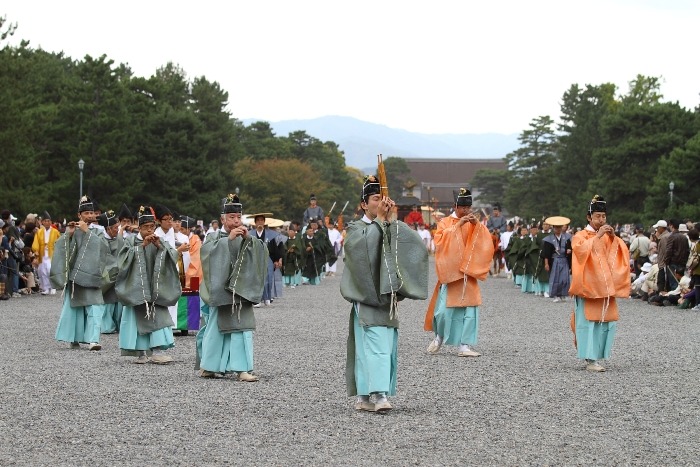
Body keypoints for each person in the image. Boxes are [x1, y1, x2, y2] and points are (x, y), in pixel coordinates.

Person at [341, 175, 428, 412]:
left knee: (384, 344)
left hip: (386, 297)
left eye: (383, 198)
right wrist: (380, 221)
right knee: (374, 343)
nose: (381, 202)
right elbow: (359, 252)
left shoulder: (390, 226)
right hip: (366, 295)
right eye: (376, 198)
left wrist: (391, 221)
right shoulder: (356, 228)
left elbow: (414, 247)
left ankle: (364, 397)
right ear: (363, 204)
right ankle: (377, 395)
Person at [197, 194, 268, 380]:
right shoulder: (213, 236)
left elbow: (260, 255)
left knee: (242, 326)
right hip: (220, 290)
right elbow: (206, 255)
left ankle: (242, 369)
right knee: (215, 326)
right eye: (231, 217)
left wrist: (249, 242)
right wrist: (227, 241)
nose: (236, 221)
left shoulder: (246, 236)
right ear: (223, 219)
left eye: (238, 217)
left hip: (240, 291)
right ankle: (209, 366)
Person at [424, 188, 493, 358]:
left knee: (469, 311)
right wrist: (459, 225)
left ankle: (464, 345)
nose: (466, 211)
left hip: (468, 273)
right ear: (455, 206)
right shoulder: (445, 222)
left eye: (468, 207)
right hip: (451, 274)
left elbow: (485, 240)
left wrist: (476, 226)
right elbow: (439, 241)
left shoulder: (473, 222)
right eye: (462, 207)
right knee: (442, 312)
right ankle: (439, 337)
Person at [569, 195, 630, 372]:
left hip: (605, 287)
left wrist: (613, 239)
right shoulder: (580, 236)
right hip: (588, 286)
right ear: (589, 217)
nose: (601, 220)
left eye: (603, 216)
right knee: (587, 322)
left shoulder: (607, 236)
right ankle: (590, 359)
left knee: (606, 321)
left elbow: (619, 255)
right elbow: (580, 252)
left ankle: (598, 355)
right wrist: (598, 237)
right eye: (597, 216)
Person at [116, 206, 181, 364]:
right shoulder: (131, 241)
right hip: (136, 287)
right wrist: (142, 247)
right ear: (139, 227)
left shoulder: (160, 240)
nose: (149, 230)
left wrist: (160, 247)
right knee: (136, 318)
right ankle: (141, 352)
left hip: (155, 286)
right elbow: (122, 261)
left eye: (152, 227)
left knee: (158, 315)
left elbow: (172, 255)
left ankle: (157, 351)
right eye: (146, 227)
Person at [51, 196, 110, 351]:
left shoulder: (98, 231)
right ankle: (74, 338)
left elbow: (104, 249)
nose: (90, 216)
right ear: (79, 215)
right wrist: (69, 235)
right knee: (74, 309)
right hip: (75, 277)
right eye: (86, 213)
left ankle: (93, 340)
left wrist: (87, 233)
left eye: (92, 213)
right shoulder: (73, 230)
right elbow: (61, 250)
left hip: (93, 277)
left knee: (95, 308)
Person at [250, 212, 283, 306]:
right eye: (258, 220)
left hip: (267, 258)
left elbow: (274, 248)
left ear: (264, 222)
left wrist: (277, 260)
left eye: (261, 220)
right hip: (255, 258)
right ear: (255, 223)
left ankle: (267, 297)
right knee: (255, 279)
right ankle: (257, 299)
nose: (260, 222)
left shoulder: (270, 234)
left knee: (267, 278)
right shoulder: (251, 234)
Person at [98, 210, 123, 334]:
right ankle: (106, 326)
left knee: (118, 301)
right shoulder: (100, 240)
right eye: (115, 228)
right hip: (106, 278)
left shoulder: (120, 240)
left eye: (118, 227)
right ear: (107, 228)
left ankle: (118, 324)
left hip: (118, 278)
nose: (117, 230)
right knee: (107, 301)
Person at [541, 216, 572, 303]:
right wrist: (546, 263)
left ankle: (563, 295)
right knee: (555, 278)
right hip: (554, 261)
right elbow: (546, 253)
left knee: (564, 279)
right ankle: (555, 295)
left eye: (559, 227)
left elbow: (570, 248)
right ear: (553, 228)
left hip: (564, 260)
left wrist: (569, 250)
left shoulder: (567, 238)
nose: (558, 229)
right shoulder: (549, 239)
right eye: (556, 227)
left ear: (562, 228)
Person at [32, 211, 61, 295]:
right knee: (42, 271)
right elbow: (36, 242)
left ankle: (53, 287)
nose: (47, 222)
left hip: (52, 253)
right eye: (45, 221)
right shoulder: (39, 232)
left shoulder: (55, 232)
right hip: (42, 254)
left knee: (50, 270)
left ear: (51, 222)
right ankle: (46, 288)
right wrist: (36, 250)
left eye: (48, 221)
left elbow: (60, 242)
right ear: (42, 222)